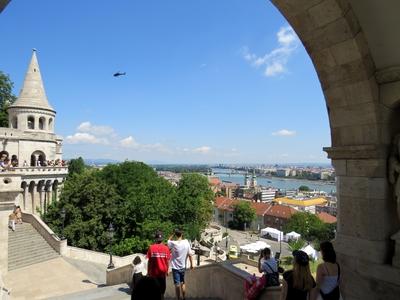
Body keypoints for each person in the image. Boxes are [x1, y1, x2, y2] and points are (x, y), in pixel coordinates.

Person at [168, 229, 194, 300]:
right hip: (183, 267)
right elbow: (190, 254)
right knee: (183, 282)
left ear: (176, 235)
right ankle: (184, 297)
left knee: (177, 285)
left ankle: (178, 298)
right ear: (182, 234)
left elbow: (168, 240)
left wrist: (172, 234)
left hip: (175, 267)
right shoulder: (186, 242)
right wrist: (192, 264)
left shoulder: (173, 243)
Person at [147, 231, 171, 300]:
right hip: (162, 273)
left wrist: (148, 272)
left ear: (155, 239)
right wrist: (167, 270)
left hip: (153, 273)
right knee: (162, 292)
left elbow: (149, 261)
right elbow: (167, 261)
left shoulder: (151, 248)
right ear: (162, 239)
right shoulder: (166, 248)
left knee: (154, 291)